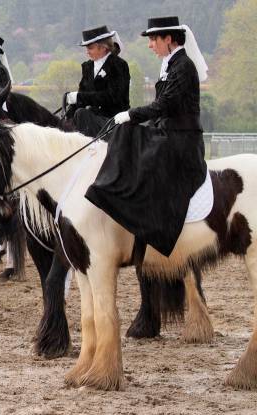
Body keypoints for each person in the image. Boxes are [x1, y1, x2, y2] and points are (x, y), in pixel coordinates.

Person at [85, 16, 209, 257]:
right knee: (126, 131)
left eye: (153, 39)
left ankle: (125, 203)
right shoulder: (171, 64)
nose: (150, 45)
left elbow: (165, 104)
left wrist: (130, 114)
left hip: (182, 139)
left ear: (169, 39)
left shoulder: (183, 66)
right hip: (168, 130)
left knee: (128, 131)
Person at [65, 26, 130, 137]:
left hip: (112, 121)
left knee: (81, 114)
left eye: (90, 48)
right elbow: (82, 95)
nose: (87, 52)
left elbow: (113, 97)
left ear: (103, 47)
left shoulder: (118, 65)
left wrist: (80, 97)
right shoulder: (88, 67)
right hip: (92, 119)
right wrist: (68, 116)